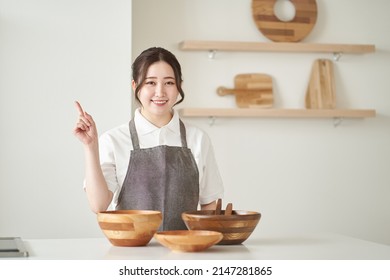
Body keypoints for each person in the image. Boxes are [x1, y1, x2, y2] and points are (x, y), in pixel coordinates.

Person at [73, 47, 224, 230]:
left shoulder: (198, 139)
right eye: (150, 83)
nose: (160, 92)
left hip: (185, 253)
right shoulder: (113, 140)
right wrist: (90, 147)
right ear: (135, 86)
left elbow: (210, 205)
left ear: (179, 86)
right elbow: (99, 205)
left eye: (169, 83)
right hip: (131, 254)